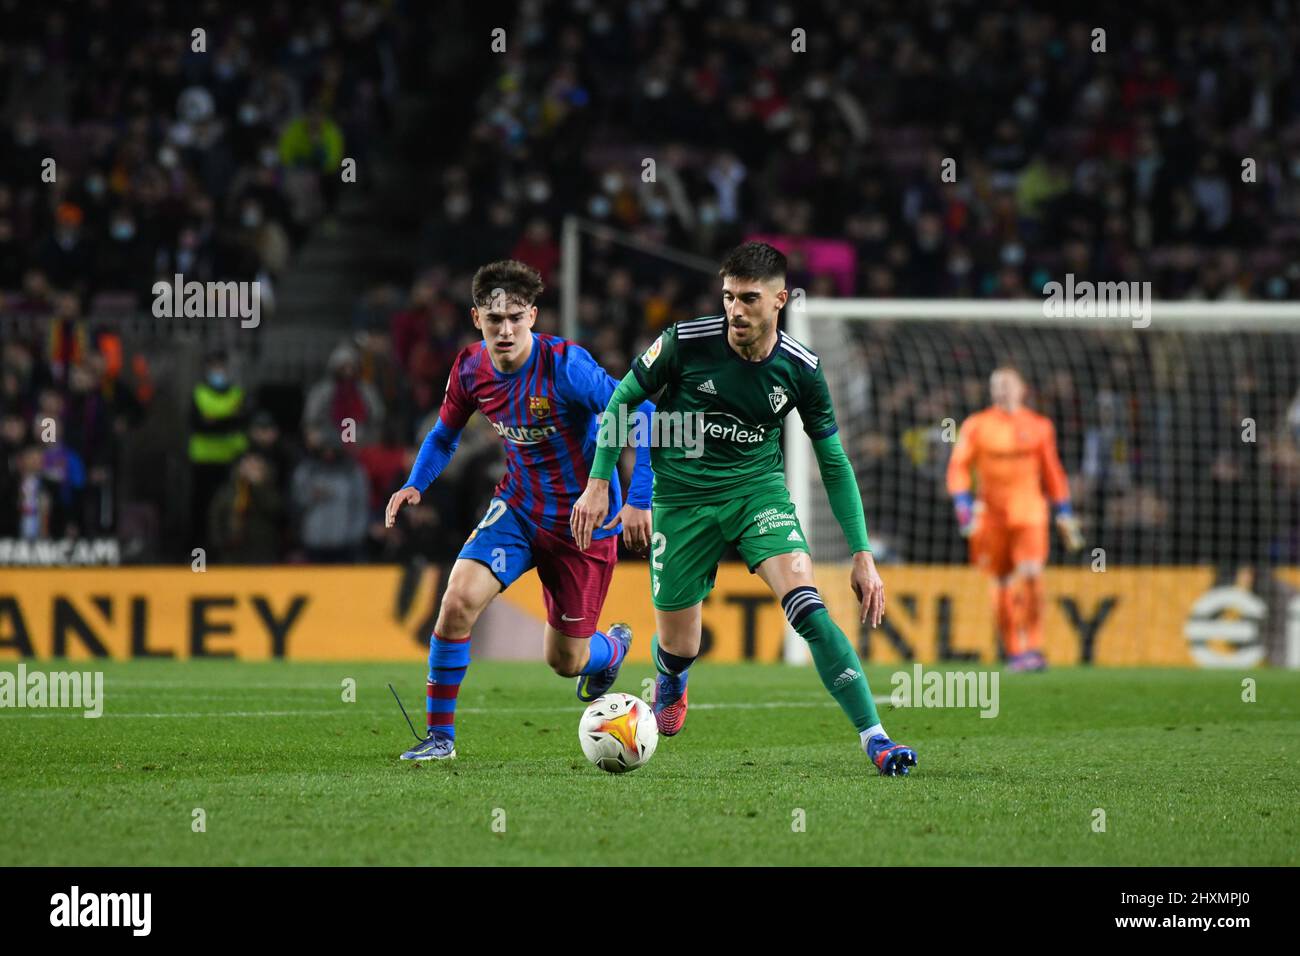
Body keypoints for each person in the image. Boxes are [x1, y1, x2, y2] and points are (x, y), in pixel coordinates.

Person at [572, 241, 917, 776]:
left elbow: (834, 462)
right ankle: (673, 677)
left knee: (808, 608)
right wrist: (601, 483)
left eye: (749, 298)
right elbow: (621, 401)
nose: (735, 309)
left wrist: (861, 553)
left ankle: (877, 739)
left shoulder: (801, 370)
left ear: (780, 299)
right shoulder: (685, 343)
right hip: (681, 501)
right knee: (680, 644)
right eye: (729, 296)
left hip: (758, 494)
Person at [385, 260, 654, 761]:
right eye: (494, 320)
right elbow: (445, 434)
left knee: (565, 660)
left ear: (533, 315)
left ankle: (612, 648)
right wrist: (415, 483)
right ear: (476, 319)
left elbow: (642, 411)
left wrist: (639, 497)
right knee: (457, 600)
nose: (505, 330)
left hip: (586, 525)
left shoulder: (567, 366)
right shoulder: (469, 368)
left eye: (515, 318)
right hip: (519, 509)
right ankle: (440, 738)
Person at [945, 366, 1084, 671]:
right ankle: (1014, 651)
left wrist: (1064, 510)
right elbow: (958, 467)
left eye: (1008, 385)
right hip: (991, 516)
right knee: (1002, 581)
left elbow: (1052, 471)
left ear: (1022, 389)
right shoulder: (976, 426)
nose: (1002, 390)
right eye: (996, 386)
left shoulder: (1039, 426)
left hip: (1030, 512)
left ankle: (1033, 646)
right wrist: (962, 502)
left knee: (1033, 574)